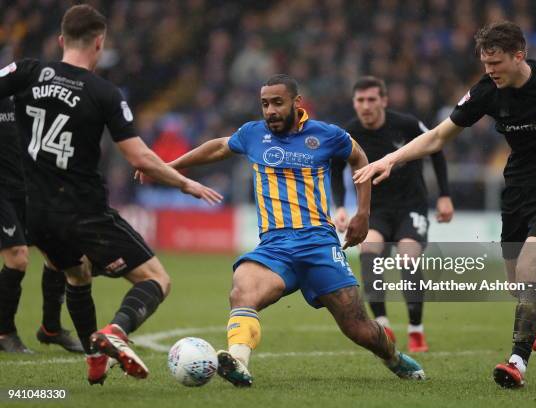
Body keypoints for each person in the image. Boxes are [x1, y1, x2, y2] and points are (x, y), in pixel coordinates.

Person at [353, 21, 536, 388]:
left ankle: (517, 363)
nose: (490, 72)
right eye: (485, 65)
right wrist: (390, 160)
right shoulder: (486, 93)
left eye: (496, 64)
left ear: (519, 56)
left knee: (528, 272)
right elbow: (439, 136)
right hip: (517, 193)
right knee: (517, 285)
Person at [0, 4, 222, 385]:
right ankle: (116, 332)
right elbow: (140, 157)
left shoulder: (27, 71)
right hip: (83, 212)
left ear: (60, 40)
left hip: (35, 213)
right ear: (99, 43)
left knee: (78, 274)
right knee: (157, 280)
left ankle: (94, 359)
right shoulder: (103, 92)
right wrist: (185, 182)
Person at [159, 74, 426, 387]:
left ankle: (393, 358)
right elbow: (218, 147)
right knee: (242, 290)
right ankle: (238, 362)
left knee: (359, 328)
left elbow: (359, 158)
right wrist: (170, 166)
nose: (269, 110)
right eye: (264, 104)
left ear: (296, 103)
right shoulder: (252, 134)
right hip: (275, 247)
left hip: (319, 244)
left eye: (277, 103)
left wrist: (363, 213)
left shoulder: (327, 135)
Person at [331, 76, 453, 352]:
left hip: (412, 205)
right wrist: (339, 206)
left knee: (408, 254)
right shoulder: (348, 134)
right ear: (354, 103)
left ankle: (416, 330)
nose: (366, 106)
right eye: (360, 100)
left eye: (372, 99)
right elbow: (335, 169)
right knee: (368, 249)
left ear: (384, 100)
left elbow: (436, 147)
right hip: (375, 210)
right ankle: (383, 324)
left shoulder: (407, 125)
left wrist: (445, 195)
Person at [0, 95, 82, 354]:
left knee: (58, 253)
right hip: (2, 191)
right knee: (18, 257)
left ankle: (51, 329)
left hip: (31, 189)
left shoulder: (22, 96)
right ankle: (4, 332)